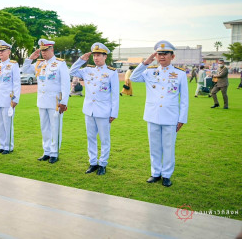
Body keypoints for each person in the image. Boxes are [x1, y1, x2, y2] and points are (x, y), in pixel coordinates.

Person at [130, 40, 188, 187]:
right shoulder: (149, 71)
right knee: (154, 146)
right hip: (153, 115)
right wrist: (146, 62)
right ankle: (155, 173)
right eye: (159, 54)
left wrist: (182, 119)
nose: (162, 57)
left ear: (172, 56)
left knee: (168, 147)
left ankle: (167, 175)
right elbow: (133, 78)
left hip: (171, 117)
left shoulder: (180, 74)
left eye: (165, 54)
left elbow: (184, 100)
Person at [69, 43, 119, 175]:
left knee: (104, 139)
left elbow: (115, 95)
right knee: (91, 137)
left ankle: (102, 164)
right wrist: (81, 60)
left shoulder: (111, 72)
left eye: (99, 55)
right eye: (94, 55)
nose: (96, 58)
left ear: (105, 56)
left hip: (104, 111)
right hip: (89, 110)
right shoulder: (87, 70)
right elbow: (72, 72)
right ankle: (92, 162)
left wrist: (114, 112)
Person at [22, 39, 70, 164]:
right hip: (42, 101)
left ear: (52, 50)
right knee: (45, 128)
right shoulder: (39, 64)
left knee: (55, 127)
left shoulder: (60, 64)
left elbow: (65, 84)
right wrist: (30, 58)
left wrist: (64, 102)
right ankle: (46, 151)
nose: (43, 53)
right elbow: (25, 69)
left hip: (55, 102)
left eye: (46, 50)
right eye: (42, 50)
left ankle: (54, 153)